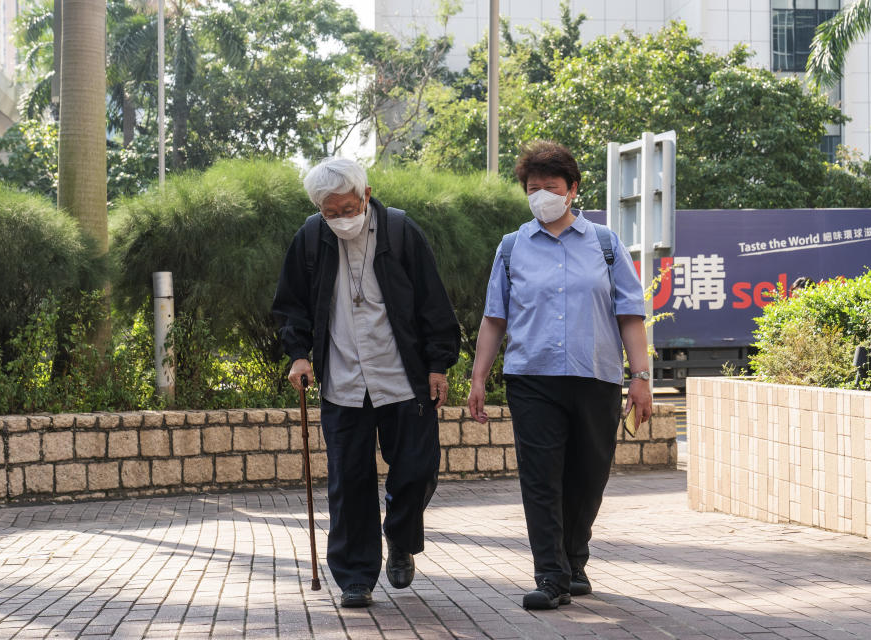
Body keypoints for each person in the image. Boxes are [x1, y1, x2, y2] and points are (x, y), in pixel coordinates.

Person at [467, 141, 653, 610]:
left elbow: (630, 315)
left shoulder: (606, 245)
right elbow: (495, 318)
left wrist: (641, 377)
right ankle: (550, 575)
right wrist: (478, 378)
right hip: (532, 378)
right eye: (533, 188)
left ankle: (574, 558)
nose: (542, 195)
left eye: (551, 187)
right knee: (541, 477)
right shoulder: (512, 248)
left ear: (572, 190)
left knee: (589, 476)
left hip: (597, 378)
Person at [272, 157, 460, 608]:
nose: (341, 219)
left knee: (416, 471)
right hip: (343, 381)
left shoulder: (399, 231)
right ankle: (356, 576)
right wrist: (299, 355)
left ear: (367, 195)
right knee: (350, 481)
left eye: (348, 208)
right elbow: (290, 304)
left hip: (403, 378)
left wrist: (438, 364)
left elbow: (434, 302)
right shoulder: (310, 238)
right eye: (330, 212)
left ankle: (399, 537)